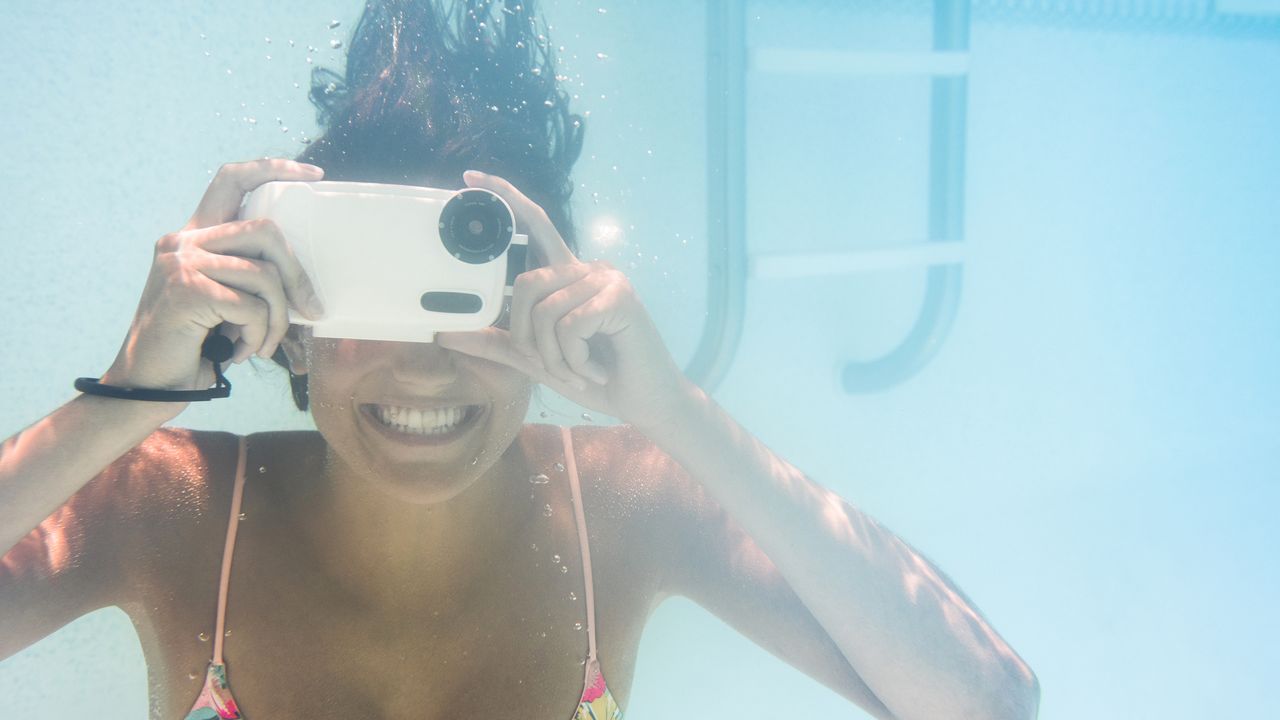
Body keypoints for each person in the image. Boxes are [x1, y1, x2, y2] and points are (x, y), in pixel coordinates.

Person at [0, 1, 1039, 718]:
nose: (426, 370)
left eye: (467, 300)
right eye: (377, 297)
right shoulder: (165, 505)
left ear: (548, 295)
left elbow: (986, 700)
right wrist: (127, 399)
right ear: (294, 316)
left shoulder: (627, 503)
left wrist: (673, 413)